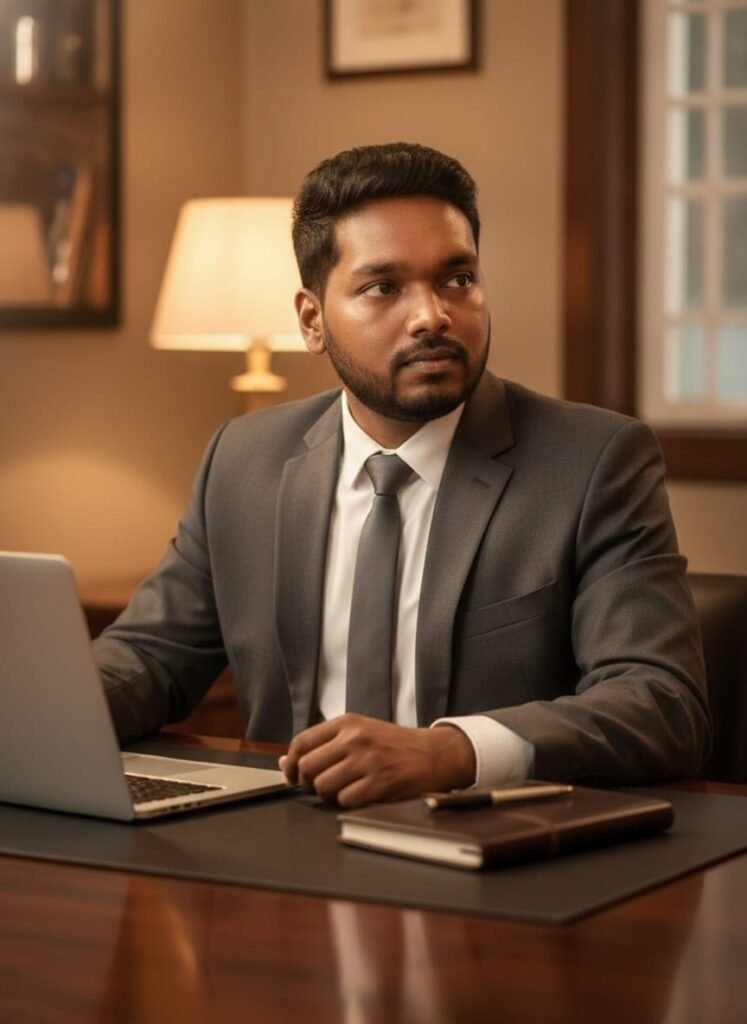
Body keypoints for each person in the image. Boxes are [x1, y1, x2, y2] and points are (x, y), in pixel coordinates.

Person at [93, 142, 710, 808]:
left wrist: (451, 751)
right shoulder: (243, 459)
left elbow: (658, 702)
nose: (432, 316)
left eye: (457, 278)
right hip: (278, 850)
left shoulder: (591, 460)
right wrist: (39, 708)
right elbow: (150, 657)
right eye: (383, 287)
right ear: (311, 321)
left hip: (495, 854)